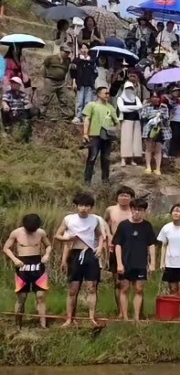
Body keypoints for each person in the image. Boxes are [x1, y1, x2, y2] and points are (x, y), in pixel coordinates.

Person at [56, 193, 104, 327]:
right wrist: (67, 241)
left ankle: (91, 317)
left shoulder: (95, 219)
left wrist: (100, 247)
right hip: (74, 254)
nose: (84, 208)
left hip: (90, 253)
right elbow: (57, 235)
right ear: (77, 206)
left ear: (91, 207)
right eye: (81, 205)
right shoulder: (68, 219)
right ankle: (69, 318)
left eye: (87, 206)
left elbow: (100, 235)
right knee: (73, 289)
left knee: (91, 287)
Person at [4, 213, 51, 327]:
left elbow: (48, 246)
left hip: (38, 266)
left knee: (40, 296)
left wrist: (46, 255)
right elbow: (6, 248)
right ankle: (17, 324)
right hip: (22, 266)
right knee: (22, 296)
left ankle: (43, 324)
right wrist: (14, 259)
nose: (31, 232)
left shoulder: (41, 232)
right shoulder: (16, 233)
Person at [103, 187, 135, 316]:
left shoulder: (134, 210)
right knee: (117, 282)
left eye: (127, 195)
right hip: (114, 248)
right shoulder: (111, 210)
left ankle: (136, 311)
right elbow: (103, 223)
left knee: (135, 283)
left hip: (132, 249)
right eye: (121, 195)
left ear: (131, 198)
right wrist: (109, 236)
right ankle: (120, 311)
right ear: (117, 197)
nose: (124, 198)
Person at [81, 86, 118, 184]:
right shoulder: (92, 105)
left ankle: (105, 180)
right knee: (92, 157)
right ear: (98, 94)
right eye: (105, 93)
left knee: (106, 158)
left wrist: (115, 132)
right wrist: (85, 133)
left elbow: (116, 121)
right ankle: (87, 180)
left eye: (108, 93)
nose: (107, 95)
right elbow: (87, 119)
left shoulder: (110, 107)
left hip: (107, 136)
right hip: (94, 134)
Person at [1, 78, 33, 142]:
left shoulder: (23, 94)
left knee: (34, 111)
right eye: (12, 83)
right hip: (10, 112)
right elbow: (4, 101)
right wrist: (5, 105)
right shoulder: (7, 93)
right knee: (3, 110)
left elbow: (27, 104)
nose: (13, 85)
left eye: (15, 83)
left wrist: (28, 106)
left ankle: (27, 134)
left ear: (19, 85)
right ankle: (6, 129)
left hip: (21, 112)